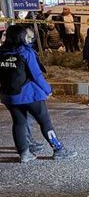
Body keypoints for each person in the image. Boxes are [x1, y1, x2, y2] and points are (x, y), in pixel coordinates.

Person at [0, 24, 76, 162]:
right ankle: (58, 149)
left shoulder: (2, 52)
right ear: (21, 36)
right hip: (29, 94)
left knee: (18, 123)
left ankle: (24, 154)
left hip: (9, 96)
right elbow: (37, 75)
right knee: (45, 123)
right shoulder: (25, 52)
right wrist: (48, 90)